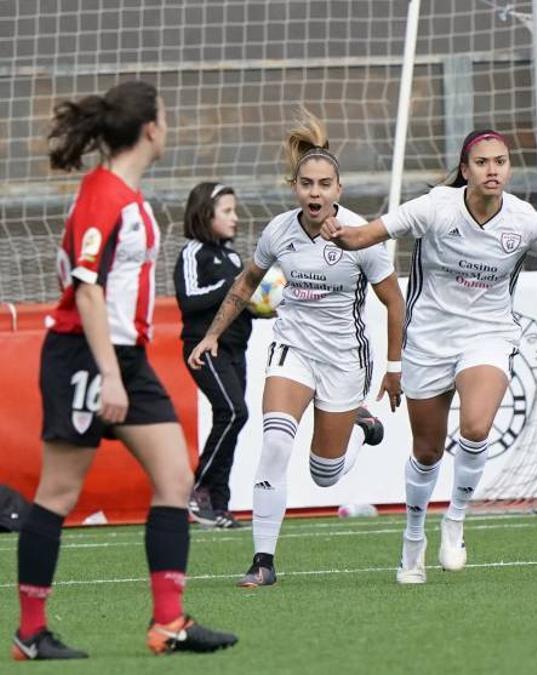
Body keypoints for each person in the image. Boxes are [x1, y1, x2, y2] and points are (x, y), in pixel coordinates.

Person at [321, 129, 537, 584]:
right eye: (482, 162)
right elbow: (368, 234)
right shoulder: (434, 207)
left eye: (500, 162)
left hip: (488, 335)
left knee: (477, 426)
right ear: (465, 170)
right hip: (427, 340)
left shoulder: (525, 221)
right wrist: (339, 234)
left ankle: (457, 519)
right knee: (426, 452)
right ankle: (412, 540)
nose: (493, 170)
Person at [14, 80, 237, 661]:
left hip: (125, 358)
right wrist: (108, 375)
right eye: (165, 115)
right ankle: (30, 633)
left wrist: (122, 368)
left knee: (174, 480)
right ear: (150, 129)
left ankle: (169, 623)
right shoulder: (105, 195)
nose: (169, 124)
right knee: (59, 492)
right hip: (86, 356)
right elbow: (86, 292)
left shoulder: (124, 195)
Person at [188, 110, 406, 589]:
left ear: (338, 190)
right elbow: (247, 282)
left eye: (324, 184)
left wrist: (394, 368)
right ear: (295, 187)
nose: (315, 192)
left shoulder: (361, 236)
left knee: (324, 475)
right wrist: (212, 335)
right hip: (293, 349)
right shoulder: (279, 231)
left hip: (345, 360)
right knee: (274, 444)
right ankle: (263, 561)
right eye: (306, 183)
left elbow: (394, 302)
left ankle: (358, 426)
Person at [174, 182, 252, 529]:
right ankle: (200, 490)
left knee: (234, 418)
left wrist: (265, 304)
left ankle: (218, 504)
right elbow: (189, 300)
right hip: (204, 347)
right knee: (233, 410)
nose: (236, 218)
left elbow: (243, 305)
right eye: (228, 211)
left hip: (237, 349)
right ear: (206, 214)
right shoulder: (193, 253)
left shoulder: (233, 256)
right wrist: (234, 285)